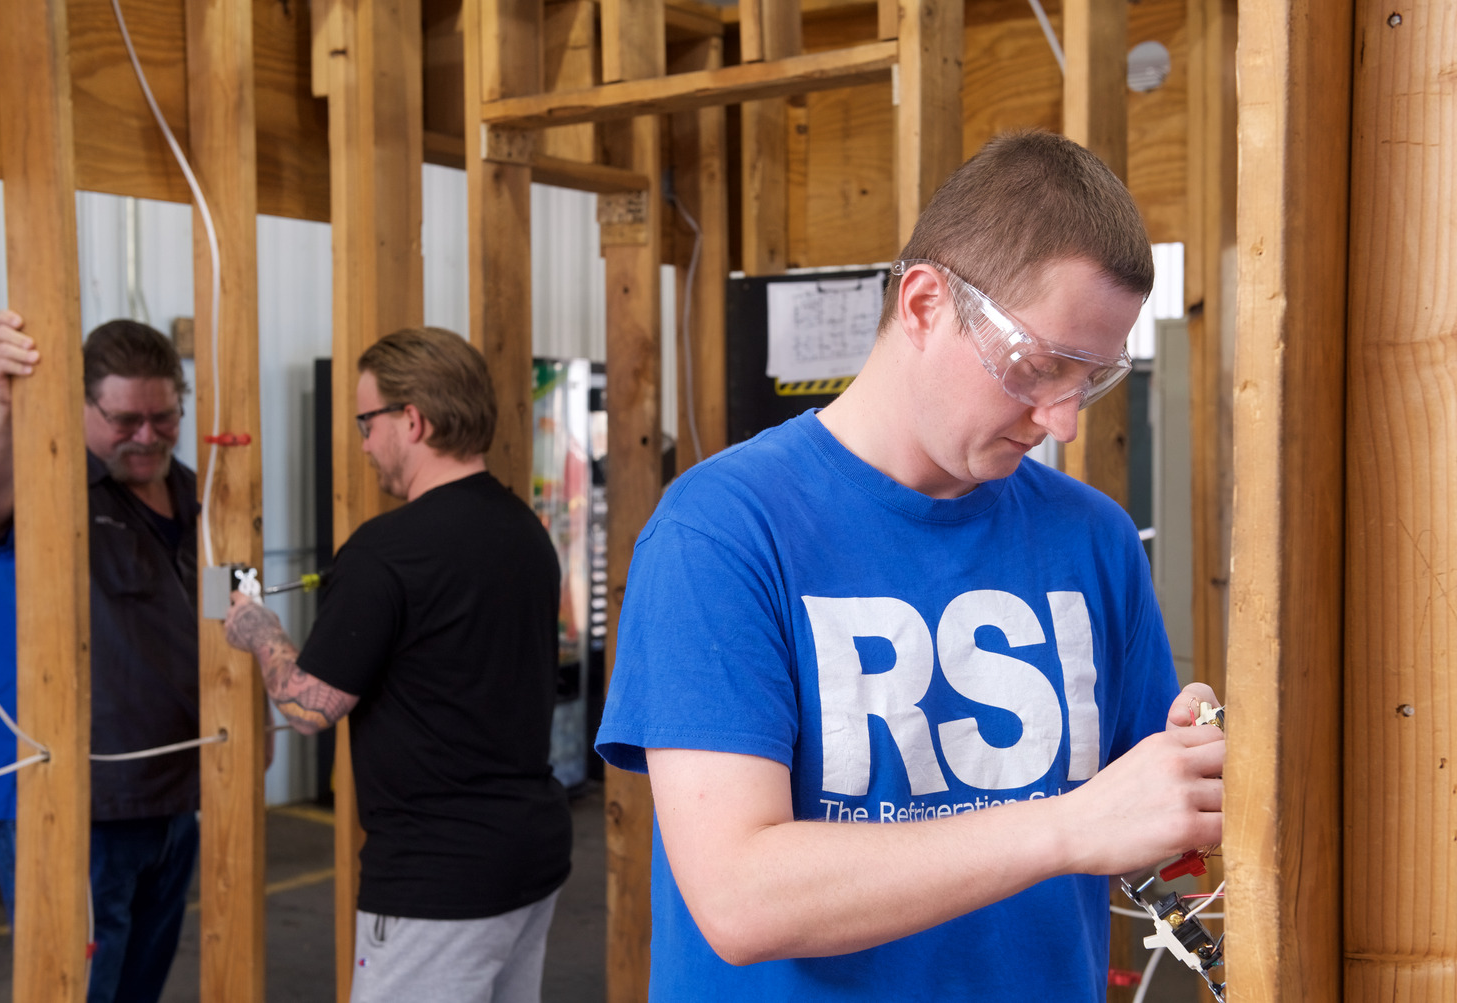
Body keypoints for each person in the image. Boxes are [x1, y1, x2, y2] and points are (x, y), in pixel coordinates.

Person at [594, 130, 1226, 1001]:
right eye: (1037, 368)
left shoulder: (1094, 537)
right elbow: (740, 896)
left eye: (1090, 381)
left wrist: (1188, 778)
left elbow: (1139, 830)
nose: (1063, 420)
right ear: (925, 303)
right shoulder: (723, 531)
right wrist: (1069, 826)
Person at [222, 326, 572, 1003]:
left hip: (438, 880)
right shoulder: (524, 530)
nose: (361, 443)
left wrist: (259, 629)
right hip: (528, 855)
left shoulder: (387, 550)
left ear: (411, 419)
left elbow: (307, 706)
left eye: (366, 421)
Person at [0, 311, 201, 1003]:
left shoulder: (197, 493)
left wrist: (257, 699)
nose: (146, 435)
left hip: (176, 786)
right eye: (124, 419)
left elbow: (233, 597)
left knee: (138, 986)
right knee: (77, 990)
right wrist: (5, 406)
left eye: (164, 416)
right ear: (81, 405)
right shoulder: (44, 480)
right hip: (67, 798)